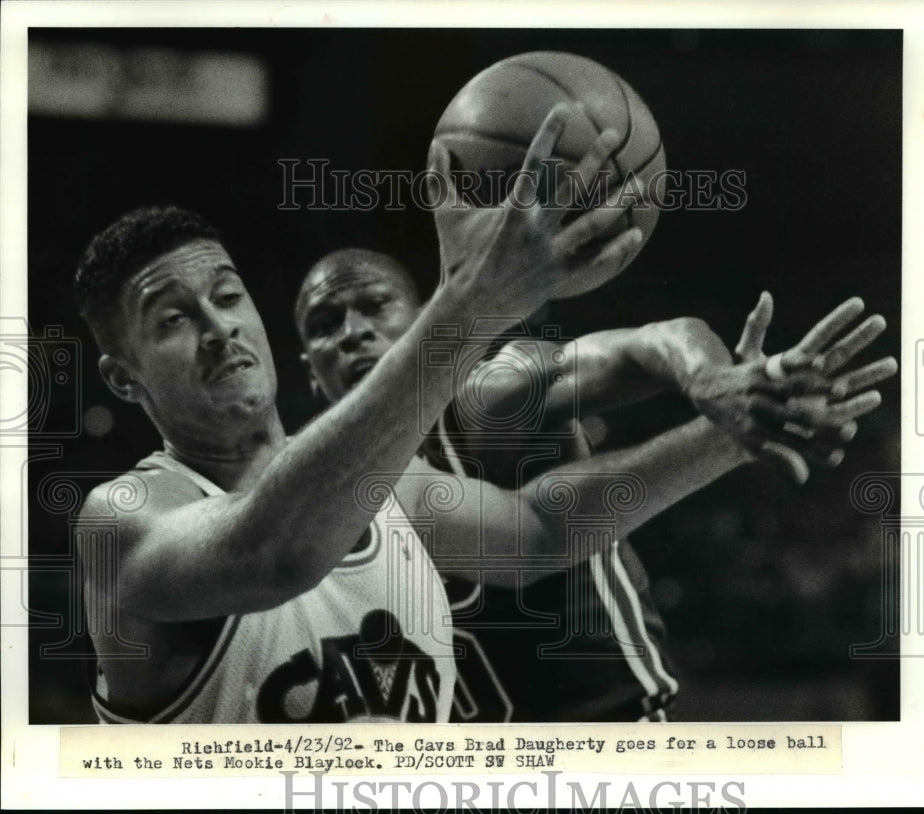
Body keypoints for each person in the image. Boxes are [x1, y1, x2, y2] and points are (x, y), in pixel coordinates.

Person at [73, 104, 646, 723]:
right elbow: (276, 553)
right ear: (124, 380)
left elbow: (540, 533)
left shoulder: (388, 483)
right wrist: (473, 302)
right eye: (173, 319)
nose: (218, 328)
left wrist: (730, 429)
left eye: (228, 295)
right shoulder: (121, 519)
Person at [294, 243, 896, 722]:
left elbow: (646, 345)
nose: (351, 332)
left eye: (374, 307)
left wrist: (712, 381)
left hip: (610, 736)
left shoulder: (485, 396)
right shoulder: (300, 498)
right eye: (326, 323)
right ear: (310, 372)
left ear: (426, 321)